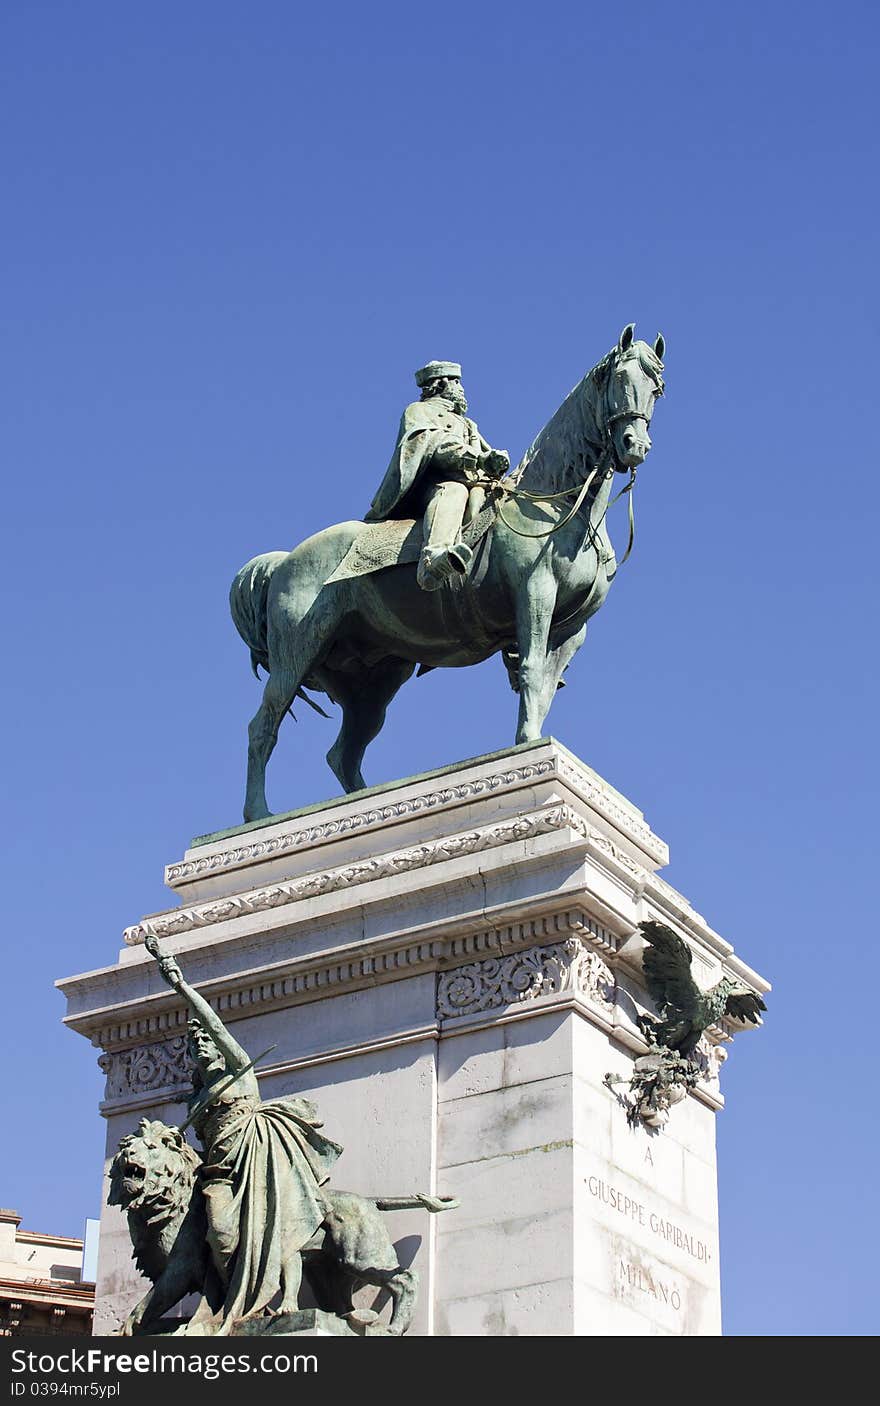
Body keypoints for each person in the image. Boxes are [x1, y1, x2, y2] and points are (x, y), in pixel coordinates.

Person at [146, 936, 342, 1333]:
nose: (201, 1044)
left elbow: (215, 1024)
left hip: (255, 1167)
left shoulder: (241, 1075)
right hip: (217, 1175)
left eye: (206, 1040)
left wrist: (181, 986)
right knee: (218, 1236)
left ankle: (271, 1296)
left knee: (273, 1230)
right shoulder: (196, 1100)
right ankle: (227, 1298)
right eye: (193, 1042)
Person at [365, 360, 510, 590]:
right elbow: (433, 443)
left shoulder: (468, 423)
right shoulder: (419, 411)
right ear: (442, 383)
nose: (462, 389)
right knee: (453, 490)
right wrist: (477, 459)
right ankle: (432, 561)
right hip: (430, 485)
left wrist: (494, 461)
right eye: (457, 383)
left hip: (474, 484)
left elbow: (484, 453)